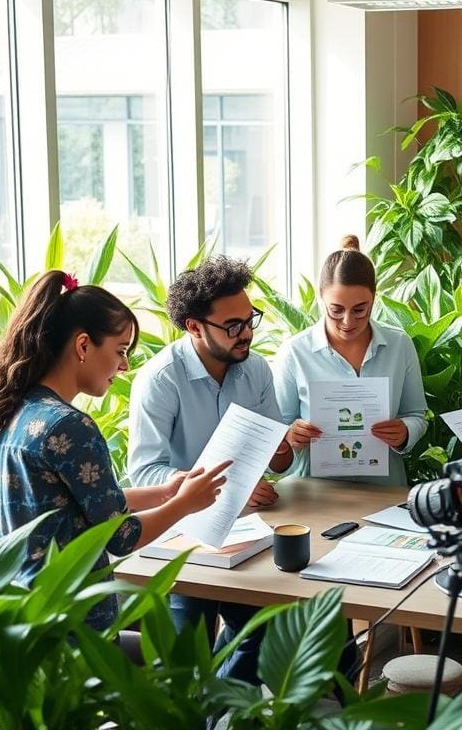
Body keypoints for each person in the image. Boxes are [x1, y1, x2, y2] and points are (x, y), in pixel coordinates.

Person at [0, 270, 229, 638]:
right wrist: (185, 504)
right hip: (75, 626)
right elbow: (121, 535)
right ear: (83, 346)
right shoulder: (69, 426)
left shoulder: (12, 410)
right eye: (120, 350)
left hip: (24, 618)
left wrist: (165, 492)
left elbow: (70, 507)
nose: (124, 366)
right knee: (181, 658)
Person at [127, 255, 291, 683]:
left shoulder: (254, 369)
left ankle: (216, 705)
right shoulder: (161, 380)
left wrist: (266, 466)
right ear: (194, 327)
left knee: (269, 628)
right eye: (232, 325)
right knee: (186, 658)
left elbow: (273, 449)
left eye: (249, 318)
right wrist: (212, 487)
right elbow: (143, 473)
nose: (247, 332)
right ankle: (202, 704)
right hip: (182, 536)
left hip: (247, 533)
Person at [273, 235, 428, 486]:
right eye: (336, 310)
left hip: (384, 489)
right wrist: (290, 436)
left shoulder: (399, 345)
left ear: (374, 298)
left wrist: (405, 431)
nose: (348, 321)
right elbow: (276, 430)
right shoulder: (294, 352)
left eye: (360, 310)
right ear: (320, 296)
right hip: (314, 491)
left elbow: (416, 414)